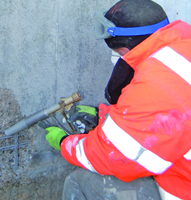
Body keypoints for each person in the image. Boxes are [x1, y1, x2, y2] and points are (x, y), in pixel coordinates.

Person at [42, 0, 191, 199]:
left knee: (79, 181)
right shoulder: (181, 47)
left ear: (133, 44)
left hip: (184, 187)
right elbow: (165, 118)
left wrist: (65, 143)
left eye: (120, 52)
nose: (118, 58)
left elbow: (115, 156)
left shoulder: (156, 81)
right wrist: (103, 114)